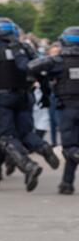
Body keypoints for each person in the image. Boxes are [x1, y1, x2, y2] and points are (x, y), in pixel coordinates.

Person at [0, 18, 57, 190]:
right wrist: (46, 93)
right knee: (24, 133)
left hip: (1, 98)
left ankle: (27, 165)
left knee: (5, 137)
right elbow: (39, 70)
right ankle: (43, 147)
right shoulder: (25, 48)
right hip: (24, 96)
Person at [29, 25, 79, 195]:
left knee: (69, 147)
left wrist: (44, 77)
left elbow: (31, 66)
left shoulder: (58, 61)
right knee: (74, 146)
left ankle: (67, 183)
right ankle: (67, 183)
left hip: (67, 107)